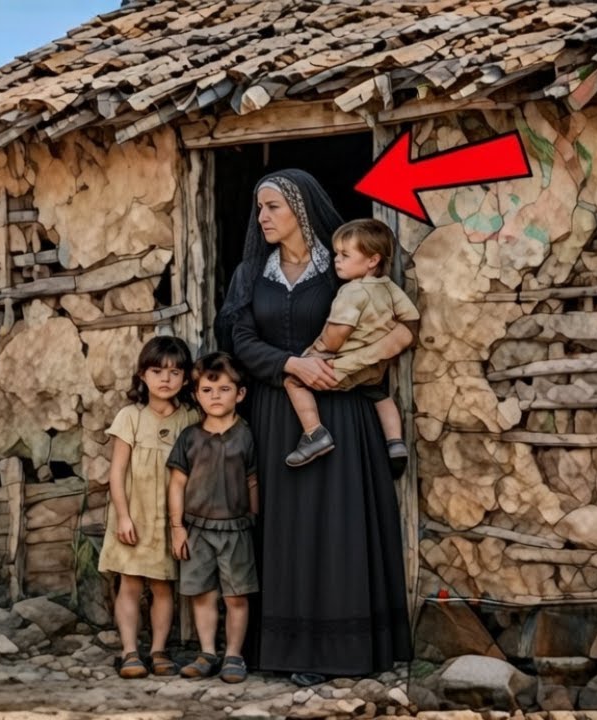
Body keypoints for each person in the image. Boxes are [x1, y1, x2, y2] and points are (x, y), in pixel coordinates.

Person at [214, 169, 414, 686]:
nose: (262, 218)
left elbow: (388, 327)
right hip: (278, 414)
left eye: (272, 207)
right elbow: (238, 336)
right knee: (285, 530)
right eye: (259, 208)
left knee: (336, 527)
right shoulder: (250, 274)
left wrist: (349, 364)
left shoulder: (340, 268)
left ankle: (343, 650)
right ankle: (285, 648)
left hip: (341, 412)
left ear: (300, 210)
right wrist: (290, 365)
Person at [283, 219, 420, 473]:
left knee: (293, 380)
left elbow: (337, 333)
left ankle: (314, 434)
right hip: (375, 367)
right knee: (379, 394)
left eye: (345, 255)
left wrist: (319, 352)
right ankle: (395, 442)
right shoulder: (389, 288)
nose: (337, 260)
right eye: (337, 253)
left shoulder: (351, 292)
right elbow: (411, 317)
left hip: (341, 365)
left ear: (372, 260)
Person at [98, 335, 198, 679]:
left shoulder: (189, 418)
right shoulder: (131, 416)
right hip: (135, 515)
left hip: (168, 517)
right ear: (143, 375)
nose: (165, 379)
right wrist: (123, 516)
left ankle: (158, 650)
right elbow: (117, 472)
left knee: (162, 585)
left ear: (186, 378)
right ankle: (129, 651)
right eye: (157, 371)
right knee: (130, 583)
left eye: (174, 372)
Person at [167, 352, 259, 684]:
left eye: (223, 389)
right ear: (195, 395)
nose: (215, 397)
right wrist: (177, 528)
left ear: (240, 394)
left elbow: (253, 481)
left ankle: (234, 655)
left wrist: (255, 518)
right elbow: (177, 484)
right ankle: (207, 652)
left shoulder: (247, 435)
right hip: (196, 528)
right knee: (202, 593)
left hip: (236, 529)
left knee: (236, 594)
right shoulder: (189, 437)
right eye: (207, 390)